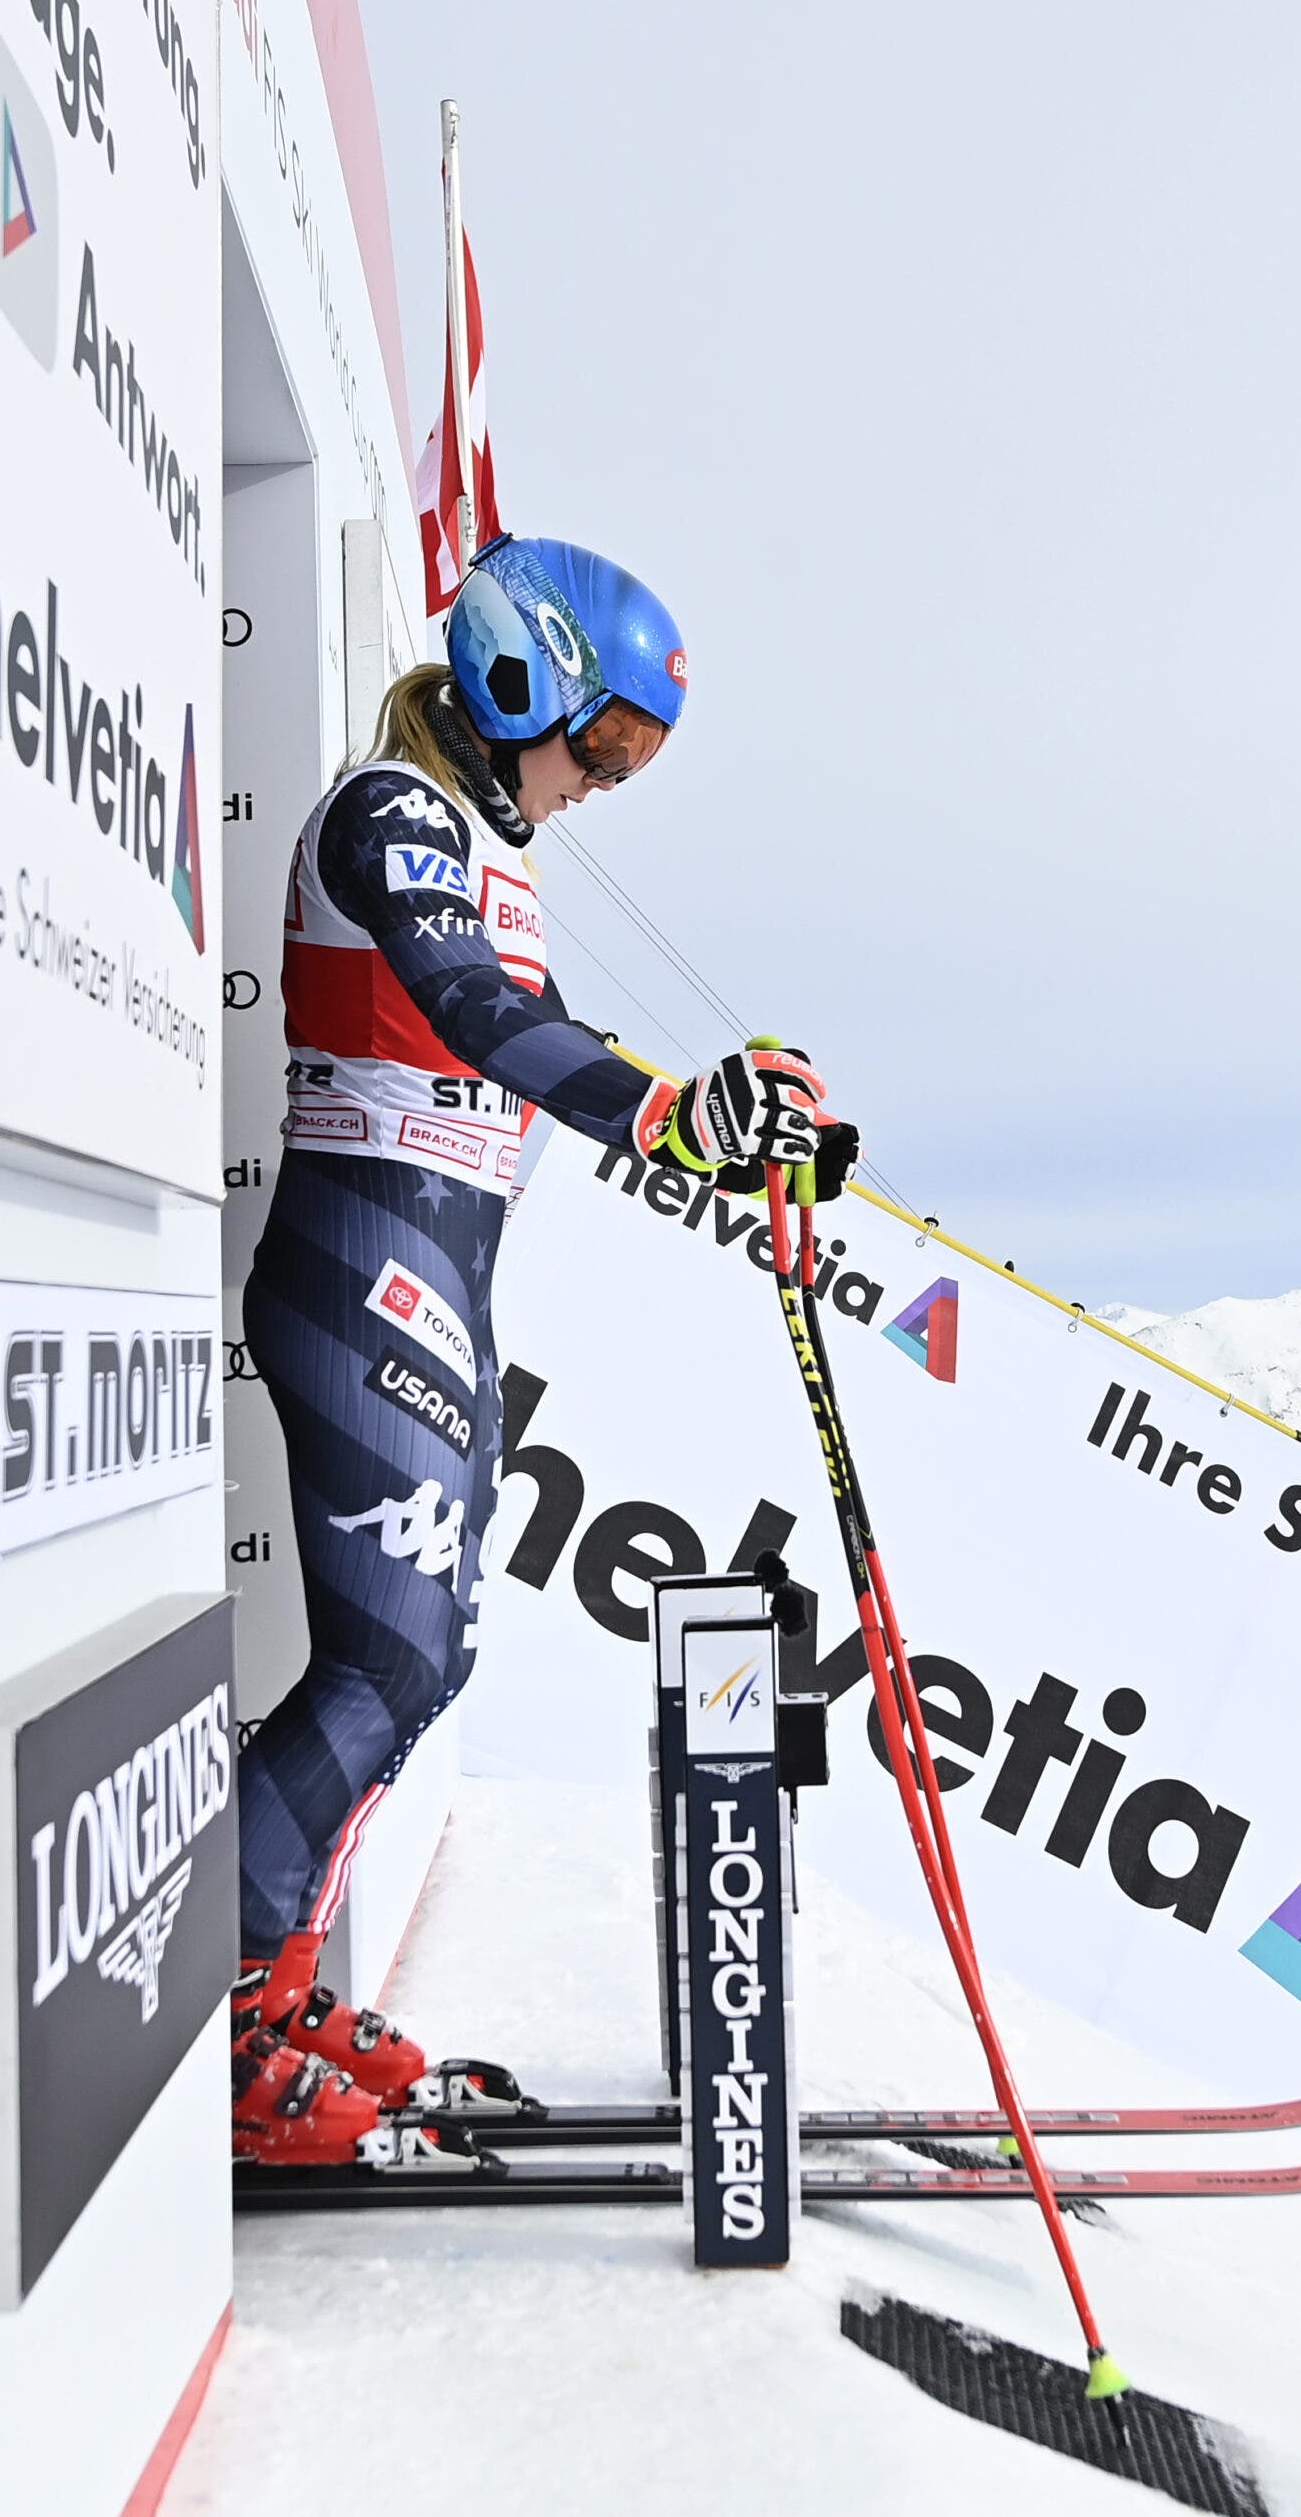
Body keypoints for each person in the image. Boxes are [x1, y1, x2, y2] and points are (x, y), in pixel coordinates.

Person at [230, 534, 858, 2162]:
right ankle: (224, 2023)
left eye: (637, 762)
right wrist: (671, 1109)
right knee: (384, 1664)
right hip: (364, 1264)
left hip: (435, 1275)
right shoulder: (391, 815)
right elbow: (476, 1016)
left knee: (420, 1660)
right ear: (522, 679)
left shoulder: (484, 845)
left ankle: (276, 1984)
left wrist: (746, 1126)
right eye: (608, 744)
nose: (605, 785)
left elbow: (527, 1039)